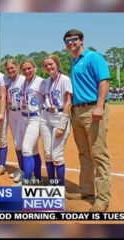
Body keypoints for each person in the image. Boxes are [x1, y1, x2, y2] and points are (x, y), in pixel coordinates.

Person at [63, 29, 111, 212]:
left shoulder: (94, 57)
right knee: (84, 153)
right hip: (78, 111)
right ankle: (87, 190)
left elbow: (104, 81)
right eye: (67, 41)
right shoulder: (74, 62)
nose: (70, 43)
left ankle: (103, 198)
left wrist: (99, 106)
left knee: (99, 154)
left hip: (93, 110)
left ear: (82, 40)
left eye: (74, 39)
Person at [40, 55, 73, 186]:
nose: (49, 67)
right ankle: (51, 182)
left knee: (57, 155)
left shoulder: (65, 79)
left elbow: (68, 103)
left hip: (60, 117)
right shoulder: (45, 81)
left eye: (51, 64)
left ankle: (60, 185)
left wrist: (62, 125)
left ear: (57, 64)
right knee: (48, 154)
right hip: (45, 118)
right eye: (46, 65)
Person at [19, 59, 44, 185]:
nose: (27, 71)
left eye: (29, 68)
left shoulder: (40, 82)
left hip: (35, 118)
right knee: (34, 150)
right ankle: (38, 178)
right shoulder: (24, 82)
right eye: (24, 69)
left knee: (26, 149)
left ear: (34, 67)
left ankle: (26, 181)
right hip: (24, 117)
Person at [3, 59, 26, 183]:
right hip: (11, 112)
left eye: (12, 68)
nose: (10, 70)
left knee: (22, 144)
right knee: (17, 142)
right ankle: (21, 168)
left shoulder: (23, 79)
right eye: (8, 69)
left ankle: (26, 172)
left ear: (17, 67)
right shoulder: (9, 82)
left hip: (21, 113)